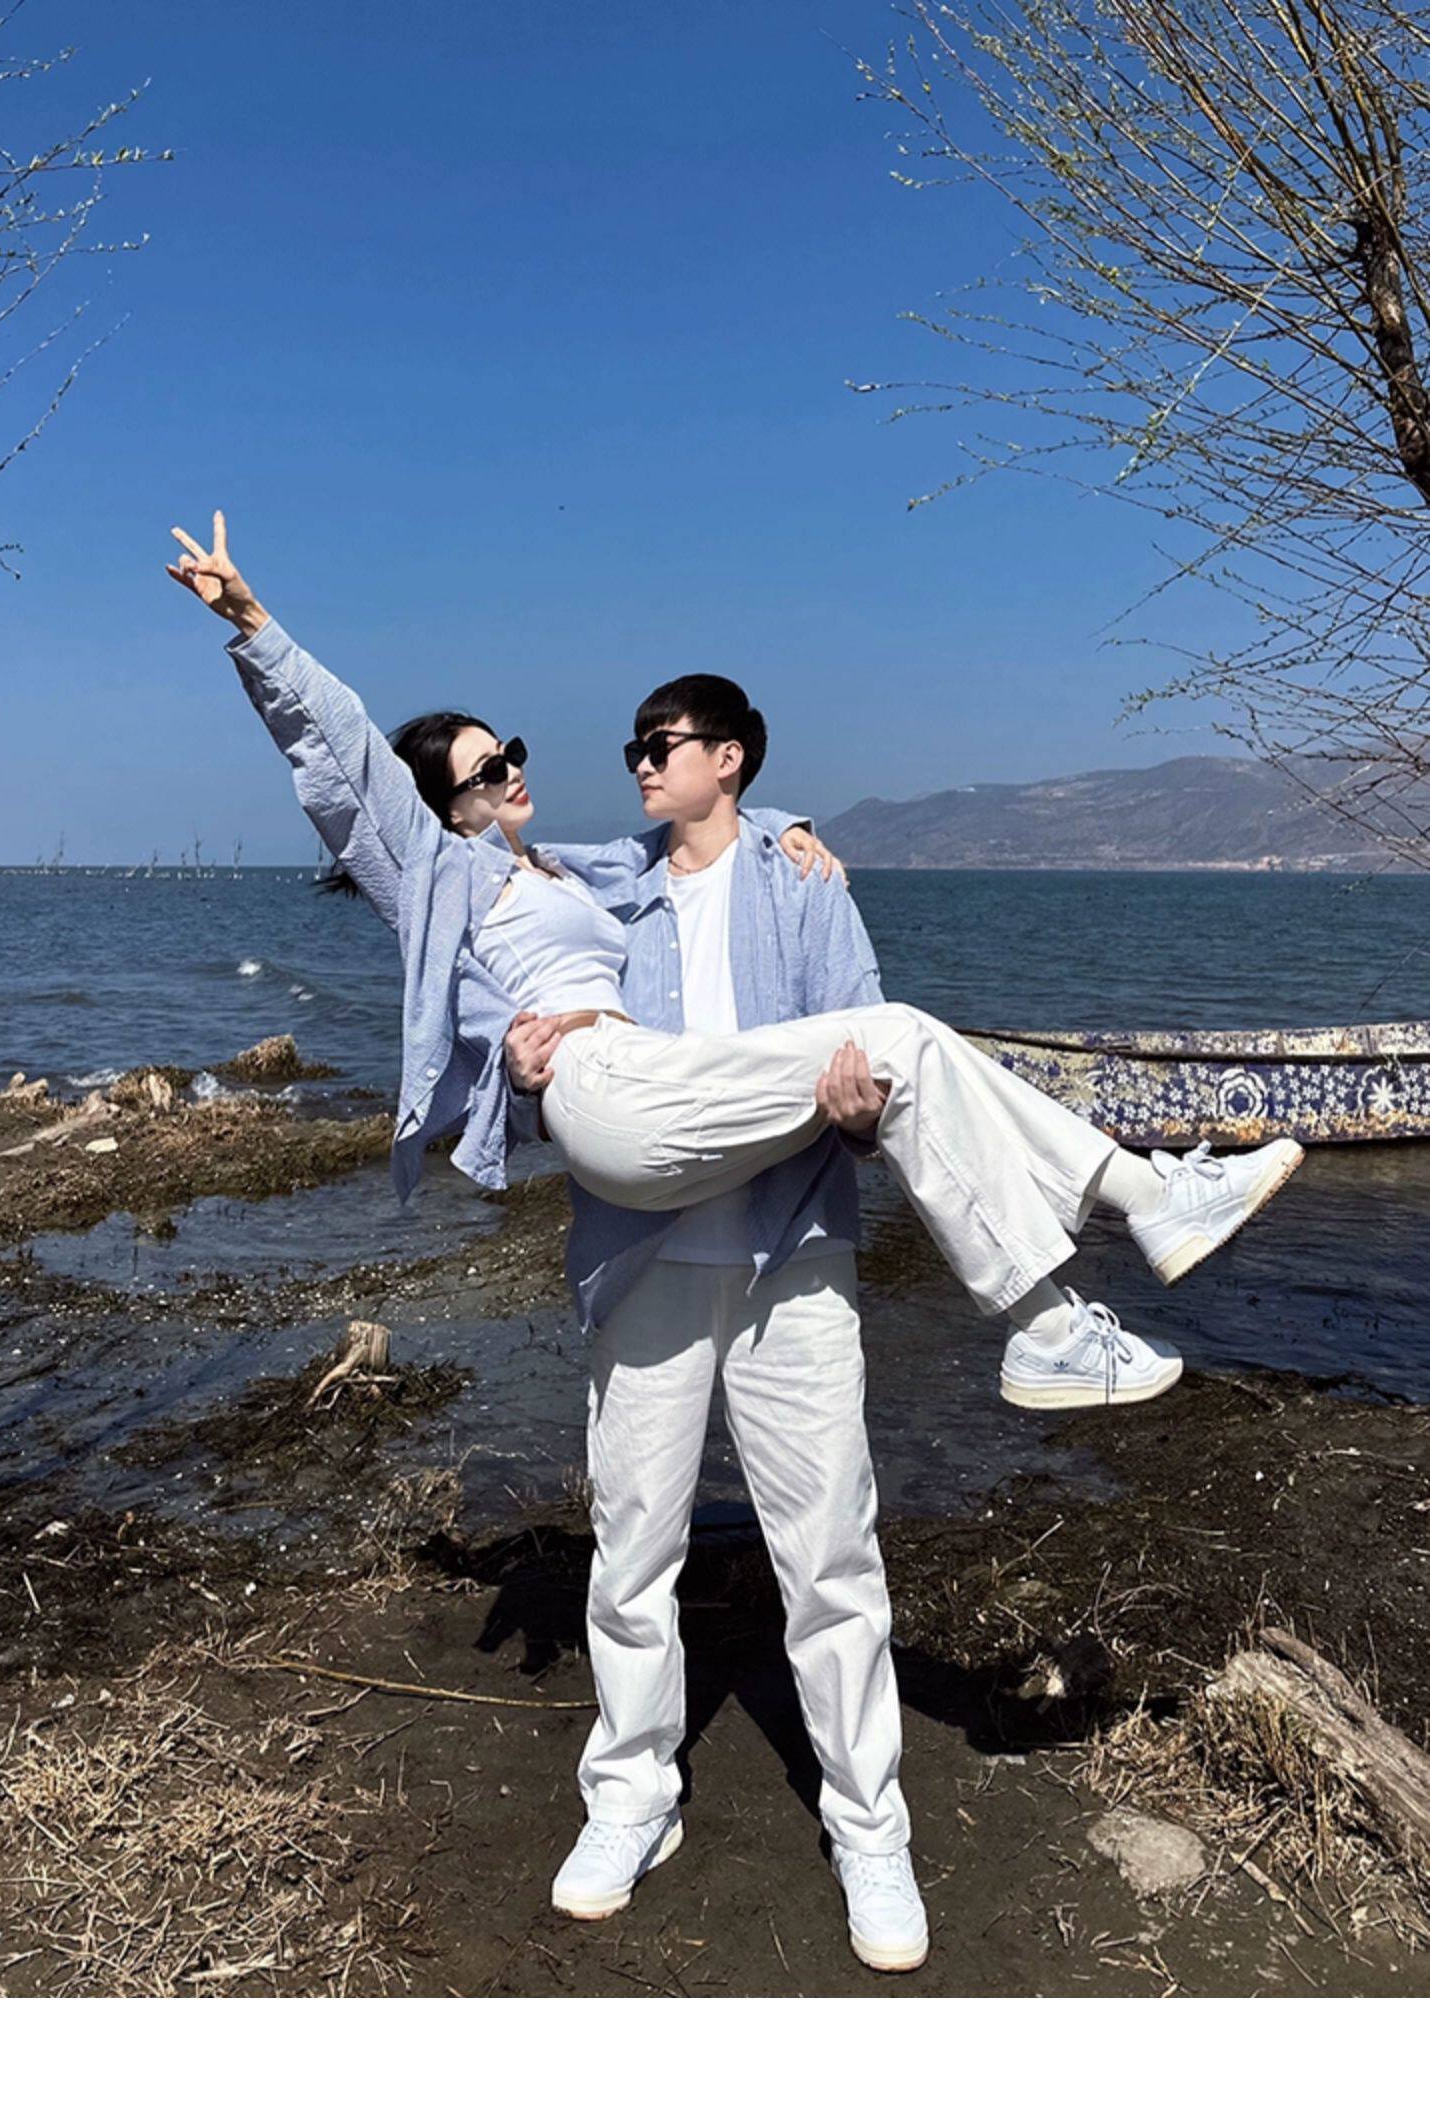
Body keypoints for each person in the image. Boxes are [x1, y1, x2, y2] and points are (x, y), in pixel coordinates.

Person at [168, 512, 1301, 1972]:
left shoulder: (636, 877)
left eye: (527, 759)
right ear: (442, 810)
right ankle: (630, 1798)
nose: (529, 777)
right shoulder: (440, 877)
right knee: (631, 1552)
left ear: (729, 760)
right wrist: (255, 625)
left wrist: (792, 878)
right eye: (488, 773)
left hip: (781, 1244)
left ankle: (872, 1825)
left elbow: (811, 981)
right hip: (628, 1188)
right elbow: (344, 773)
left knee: (833, 1552)